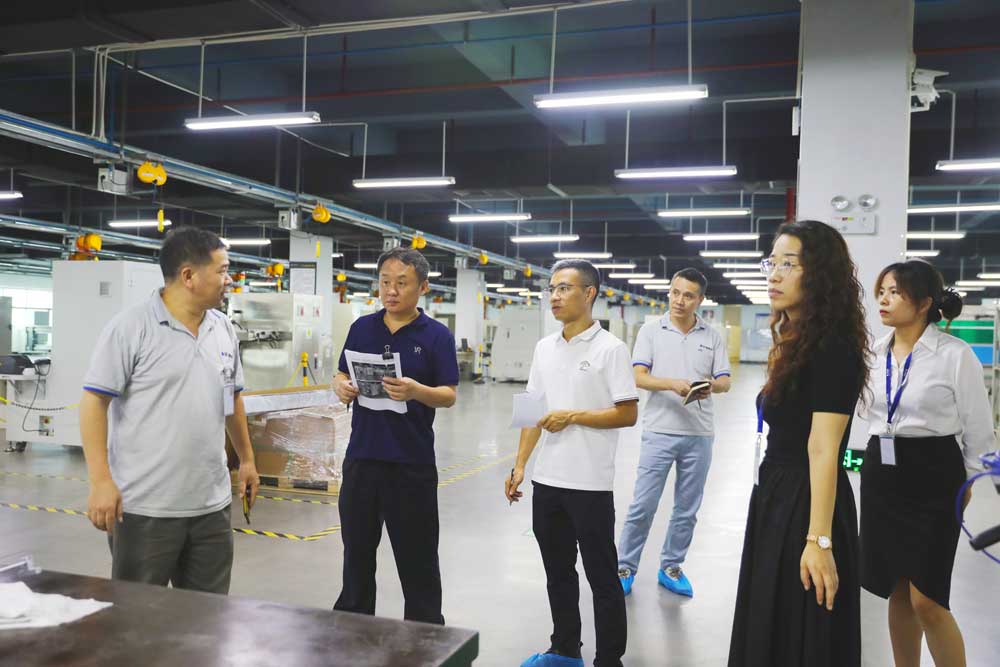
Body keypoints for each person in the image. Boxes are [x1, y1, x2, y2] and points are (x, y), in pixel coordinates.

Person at [80, 226, 259, 594]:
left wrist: (247, 460)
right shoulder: (131, 328)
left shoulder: (223, 329)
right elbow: (94, 402)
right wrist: (100, 481)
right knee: (138, 616)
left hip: (211, 507)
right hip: (145, 508)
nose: (229, 280)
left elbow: (231, 398)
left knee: (208, 617)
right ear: (188, 276)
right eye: (222, 271)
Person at [728, 220, 868, 667]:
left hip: (807, 503)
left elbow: (823, 448)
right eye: (772, 263)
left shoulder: (834, 349)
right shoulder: (795, 342)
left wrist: (819, 540)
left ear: (820, 274)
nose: (775, 274)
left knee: (800, 623)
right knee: (772, 617)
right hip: (776, 495)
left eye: (789, 264)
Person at [506, 259, 639, 667]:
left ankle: (609, 658)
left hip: (590, 485)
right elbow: (532, 410)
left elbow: (627, 413)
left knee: (602, 577)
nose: (555, 296)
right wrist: (520, 465)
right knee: (558, 572)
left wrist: (574, 416)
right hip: (548, 482)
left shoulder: (611, 349)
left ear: (589, 293)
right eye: (552, 289)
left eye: (564, 288)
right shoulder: (544, 348)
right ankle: (565, 648)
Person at [859, 260, 993, 667]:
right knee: (897, 589)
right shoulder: (873, 353)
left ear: (924, 303)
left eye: (895, 292)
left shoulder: (955, 355)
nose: (883, 300)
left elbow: (979, 430)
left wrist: (968, 483)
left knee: (928, 599)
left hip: (935, 476)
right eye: (882, 291)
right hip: (882, 477)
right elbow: (866, 413)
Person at [332, 247, 459, 625]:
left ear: (423, 287)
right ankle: (354, 624)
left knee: (418, 557)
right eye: (385, 282)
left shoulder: (436, 336)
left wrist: (417, 391)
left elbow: (449, 394)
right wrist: (340, 385)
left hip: (410, 464)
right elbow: (342, 371)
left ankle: (425, 632)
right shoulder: (362, 327)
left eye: (401, 283)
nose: (391, 290)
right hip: (362, 458)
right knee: (356, 552)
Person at [617, 268, 731, 599]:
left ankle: (671, 566)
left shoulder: (712, 336)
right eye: (675, 292)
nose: (680, 300)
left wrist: (710, 385)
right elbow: (638, 376)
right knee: (643, 504)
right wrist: (671, 383)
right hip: (659, 431)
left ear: (700, 300)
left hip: (699, 434)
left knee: (687, 508)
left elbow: (725, 380)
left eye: (688, 295)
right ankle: (625, 566)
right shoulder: (651, 331)